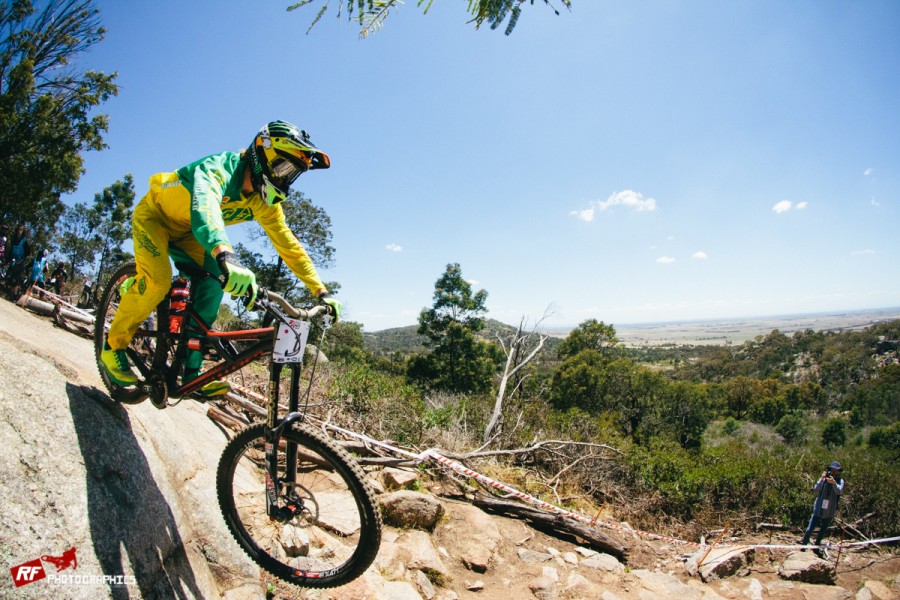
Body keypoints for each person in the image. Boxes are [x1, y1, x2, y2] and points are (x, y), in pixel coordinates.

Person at [100, 120, 342, 398]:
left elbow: (288, 244)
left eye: (292, 174)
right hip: (156, 218)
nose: (284, 178)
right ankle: (113, 346)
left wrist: (321, 291)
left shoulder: (264, 203)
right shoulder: (219, 168)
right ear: (261, 153)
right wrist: (225, 253)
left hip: (190, 233)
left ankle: (191, 373)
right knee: (158, 282)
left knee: (214, 285)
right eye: (282, 167)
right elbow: (205, 208)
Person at [800, 461, 845, 557]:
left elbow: (839, 491)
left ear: (838, 472)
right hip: (819, 508)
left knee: (823, 530)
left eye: (835, 471)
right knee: (809, 529)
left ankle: (816, 546)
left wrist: (833, 483)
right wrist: (822, 479)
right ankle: (803, 546)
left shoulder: (840, 481)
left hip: (829, 510)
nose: (833, 472)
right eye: (832, 470)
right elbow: (816, 489)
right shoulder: (824, 479)